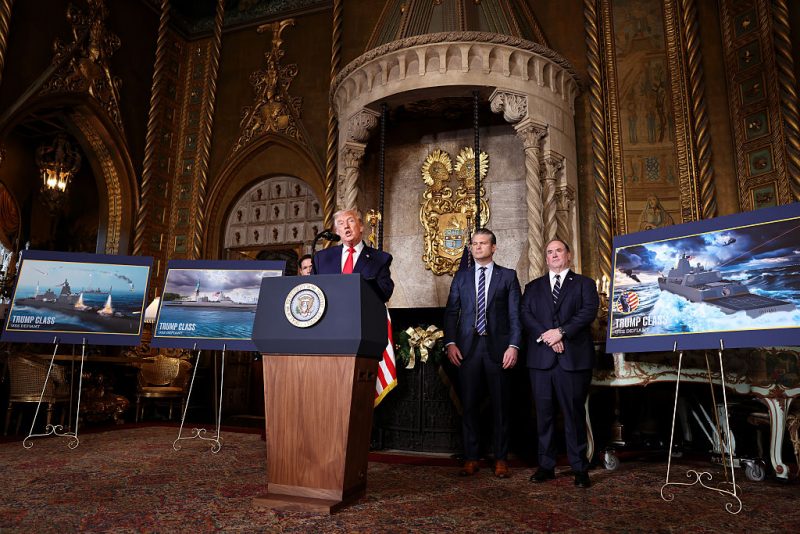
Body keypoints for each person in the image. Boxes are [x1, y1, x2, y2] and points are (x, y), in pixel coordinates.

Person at [444, 229, 521, 478]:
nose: (477, 247)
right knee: (469, 405)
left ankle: (501, 459)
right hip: (467, 350)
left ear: (493, 247)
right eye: (474, 243)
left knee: (501, 406)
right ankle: (471, 457)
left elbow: (515, 315)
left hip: (498, 349)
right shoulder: (462, 277)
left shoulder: (507, 276)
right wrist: (451, 342)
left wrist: (514, 346)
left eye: (483, 243)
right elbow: (451, 312)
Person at [522, 239, 599, 488]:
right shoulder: (532, 287)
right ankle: (546, 466)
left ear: (569, 255)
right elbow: (526, 314)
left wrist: (561, 332)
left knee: (574, 415)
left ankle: (579, 468)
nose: (554, 255)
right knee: (543, 416)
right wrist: (549, 336)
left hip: (573, 360)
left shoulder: (585, 284)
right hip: (541, 361)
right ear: (545, 258)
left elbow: (587, 312)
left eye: (558, 251)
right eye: (549, 252)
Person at [312, 209, 394, 302]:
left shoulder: (380, 259)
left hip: (363, 310)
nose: (346, 226)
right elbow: (312, 290)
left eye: (351, 221)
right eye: (341, 223)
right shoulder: (321, 258)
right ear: (337, 231)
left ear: (361, 226)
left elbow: (385, 292)